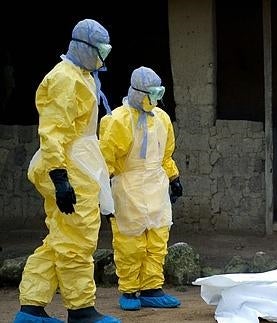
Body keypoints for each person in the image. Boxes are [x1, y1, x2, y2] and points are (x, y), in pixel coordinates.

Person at [15, 19, 119, 323]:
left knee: (60, 239)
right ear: (84, 47)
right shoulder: (65, 78)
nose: (103, 55)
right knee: (77, 241)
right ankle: (81, 309)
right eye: (100, 49)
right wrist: (60, 177)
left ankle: (31, 308)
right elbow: (53, 131)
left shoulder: (82, 75)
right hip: (69, 164)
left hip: (78, 161)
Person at [99, 66, 183, 311]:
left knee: (158, 239)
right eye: (152, 93)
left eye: (159, 93)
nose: (156, 99)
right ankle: (129, 289)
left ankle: (151, 288)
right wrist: (103, 196)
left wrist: (174, 178)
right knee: (130, 243)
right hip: (128, 186)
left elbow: (166, 155)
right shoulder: (117, 120)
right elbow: (107, 161)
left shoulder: (163, 119)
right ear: (138, 92)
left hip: (156, 184)